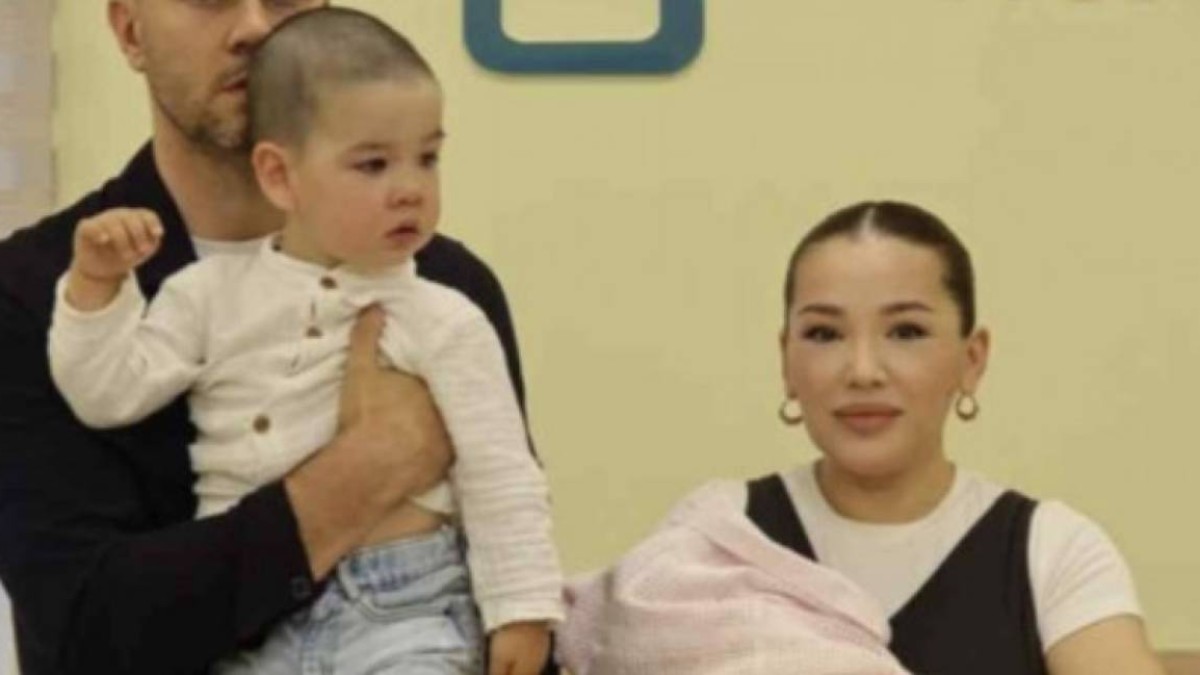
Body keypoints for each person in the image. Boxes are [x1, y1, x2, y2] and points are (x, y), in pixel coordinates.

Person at [0, 2, 552, 674]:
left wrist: (525, 615)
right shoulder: (40, 292)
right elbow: (81, 634)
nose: (256, 27)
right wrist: (368, 466)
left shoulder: (446, 288)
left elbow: (506, 553)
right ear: (130, 30)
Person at [560, 200, 1165, 675]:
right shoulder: (718, 538)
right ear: (786, 360)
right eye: (825, 335)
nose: (863, 370)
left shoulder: (1050, 551)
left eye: (906, 332)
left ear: (972, 359)